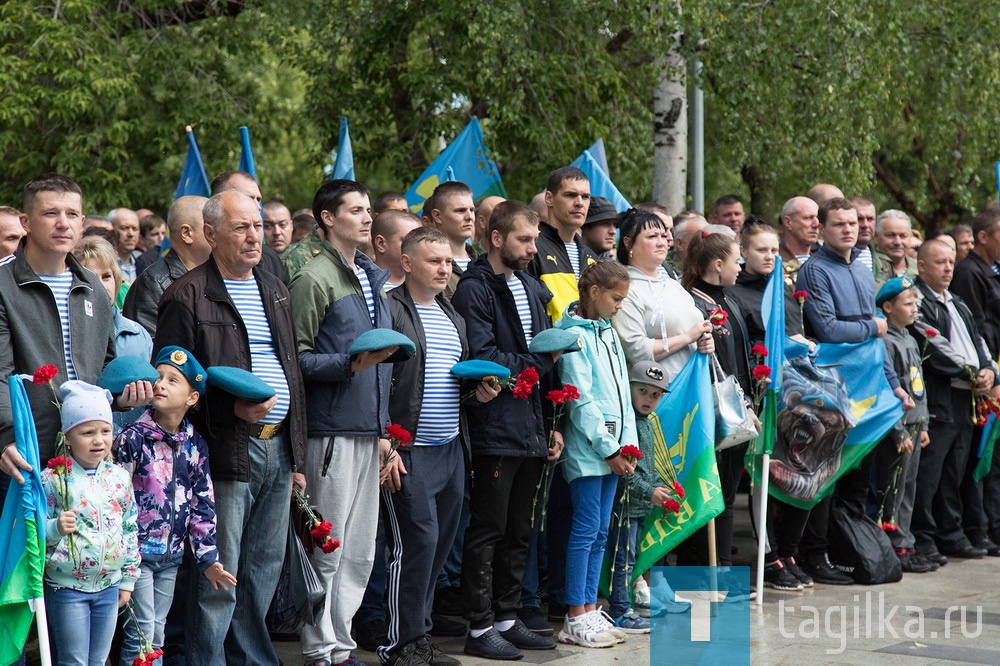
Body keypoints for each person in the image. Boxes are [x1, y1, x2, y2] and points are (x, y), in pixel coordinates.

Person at [154, 189, 307, 666]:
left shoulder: (275, 284)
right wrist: (228, 412)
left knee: (264, 569)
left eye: (257, 226)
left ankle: (249, 658)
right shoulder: (186, 294)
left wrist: (297, 455)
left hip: (278, 446)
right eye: (240, 227)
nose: (253, 236)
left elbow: (290, 368)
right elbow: (171, 385)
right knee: (219, 572)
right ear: (209, 233)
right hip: (223, 450)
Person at [379, 227, 501, 666]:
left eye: (448, 261)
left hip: (451, 449)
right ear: (407, 263)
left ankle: (420, 639)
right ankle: (398, 644)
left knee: (437, 547)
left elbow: (453, 386)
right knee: (415, 547)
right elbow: (375, 383)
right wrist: (385, 442)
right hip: (407, 452)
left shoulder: (453, 315)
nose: (444, 269)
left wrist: (478, 393)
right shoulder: (388, 310)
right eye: (434, 261)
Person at [288, 179, 397, 666]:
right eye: (356, 210)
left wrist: (383, 433)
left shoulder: (372, 277)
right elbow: (295, 361)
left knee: (360, 552)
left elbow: (383, 366)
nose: (367, 218)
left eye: (369, 209)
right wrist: (348, 365)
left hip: (366, 431)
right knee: (327, 549)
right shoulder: (313, 277)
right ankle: (318, 648)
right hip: (328, 433)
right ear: (329, 218)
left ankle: (343, 644)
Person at [451, 200, 560, 660]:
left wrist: (554, 426)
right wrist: (540, 360)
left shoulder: (534, 288)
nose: (533, 248)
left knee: (520, 530)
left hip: (532, 427)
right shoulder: (474, 289)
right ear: (496, 238)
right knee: (488, 530)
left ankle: (507, 618)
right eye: (524, 239)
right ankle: (478, 628)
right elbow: (483, 355)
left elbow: (550, 357)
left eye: (534, 239)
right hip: (495, 427)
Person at [0, 173, 151, 494]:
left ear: (82, 222)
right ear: (26, 221)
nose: (62, 223)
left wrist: (123, 396)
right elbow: (1, 373)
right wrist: (5, 436)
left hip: (85, 457)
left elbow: (105, 370)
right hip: (22, 452)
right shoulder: (3, 284)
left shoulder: (93, 287)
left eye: (71, 215)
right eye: (51, 213)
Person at [796, 197, 902, 585]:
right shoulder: (815, 270)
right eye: (838, 223)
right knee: (827, 474)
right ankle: (815, 553)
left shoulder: (860, 268)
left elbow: (876, 342)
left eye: (853, 223)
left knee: (859, 478)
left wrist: (894, 384)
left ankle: (851, 550)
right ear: (821, 228)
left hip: (870, 389)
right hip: (835, 387)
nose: (848, 229)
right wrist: (872, 326)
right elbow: (828, 330)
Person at [116, 346, 237, 665]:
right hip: (137, 556)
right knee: (141, 634)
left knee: (157, 632)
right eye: (158, 377)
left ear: (192, 398)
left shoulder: (195, 445)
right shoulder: (132, 439)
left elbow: (203, 504)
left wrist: (207, 557)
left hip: (171, 558)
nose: (161, 384)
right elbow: (116, 498)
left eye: (173, 380)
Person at [726, 221, 814, 592]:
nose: (770, 256)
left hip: (796, 397)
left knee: (800, 472)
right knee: (762, 475)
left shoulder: (784, 290)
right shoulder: (735, 293)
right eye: (761, 250)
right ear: (743, 252)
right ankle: (767, 554)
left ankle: (788, 550)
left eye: (775, 250)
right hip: (760, 396)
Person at [551, 261, 635, 648]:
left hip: (614, 452)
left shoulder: (608, 331)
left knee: (601, 532)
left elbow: (622, 398)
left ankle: (589, 609)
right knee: (585, 531)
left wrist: (628, 448)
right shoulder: (571, 335)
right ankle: (573, 615)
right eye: (616, 298)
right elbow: (581, 401)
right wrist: (610, 448)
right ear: (594, 292)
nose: (620, 305)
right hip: (590, 453)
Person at [680, 230, 758, 595]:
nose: (740, 266)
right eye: (735, 259)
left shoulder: (729, 300)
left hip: (738, 410)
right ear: (716, 264)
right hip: (715, 413)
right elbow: (717, 367)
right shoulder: (695, 304)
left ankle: (721, 571)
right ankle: (705, 576)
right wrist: (740, 405)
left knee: (727, 495)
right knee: (711, 495)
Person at [43, 381, 140, 666]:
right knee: (73, 660)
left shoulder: (119, 478)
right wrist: (55, 528)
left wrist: (129, 578)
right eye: (88, 432)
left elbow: (131, 527)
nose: (98, 440)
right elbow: (33, 530)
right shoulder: (53, 479)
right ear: (68, 437)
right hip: (67, 588)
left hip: (110, 586)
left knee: (98, 659)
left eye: (105, 431)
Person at [911, 239, 994, 564]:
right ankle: (923, 538)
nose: (947, 268)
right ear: (922, 266)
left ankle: (951, 534)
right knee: (930, 473)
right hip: (940, 396)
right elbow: (934, 346)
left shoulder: (957, 302)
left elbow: (979, 341)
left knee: (954, 472)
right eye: (939, 262)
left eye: (950, 262)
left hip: (965, 398)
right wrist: (973, 372)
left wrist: (988, 371)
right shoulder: (917, 300)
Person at [872, 278, 934, 574]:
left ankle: (905, 541)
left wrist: (922, 424)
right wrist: (897, 431)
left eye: (915, 303)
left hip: (914, 425)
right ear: (887, 307)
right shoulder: (886, 342)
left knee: (908, 487)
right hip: (898, 429)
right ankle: (892, 543)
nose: (914, 308)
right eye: (907, 303)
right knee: (893, 489)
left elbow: (918, 386)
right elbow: (887, 389)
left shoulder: (909, 338)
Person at [612, 208, 714, 385]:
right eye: (652, 236)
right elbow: (637, 351)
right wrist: (687, 338)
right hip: (655, 397)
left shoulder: (674, 285)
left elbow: (693, 334)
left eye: (663, 235)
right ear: (628, 243)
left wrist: (705, 342)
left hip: (694, 388)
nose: (662, 242)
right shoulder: (625, 290)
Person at [604, 361, 669, 630]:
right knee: (623, 560)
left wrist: (660, 491)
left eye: (656, 395)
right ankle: (620, 608)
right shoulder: (626, 420)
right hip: (626, 505)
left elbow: (648, 465)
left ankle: (628, 604)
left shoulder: (648, 422)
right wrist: (649, 490)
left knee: (632, 558)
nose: (649, 399)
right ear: (628, 387)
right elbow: (625, 472)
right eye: (642, 391)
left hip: (642, 506)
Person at [73, 236, 152, 434]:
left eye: (106, 276)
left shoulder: (138, 334)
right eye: (89, 276)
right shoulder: (68, 334)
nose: (100, 286)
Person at [123, 195, 212, 337]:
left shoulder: (221, 275)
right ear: (187, 233)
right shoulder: (153, 283)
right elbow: (149, 348)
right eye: (210, 225)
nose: (219, 231)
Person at [534, 166, 599, 322]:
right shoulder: (531, 248)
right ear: (549, 198)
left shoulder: (593, 257)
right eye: (570, 195)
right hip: (548, 344)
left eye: (585, 197)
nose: (579, 203)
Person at [209, 170, 289, 285]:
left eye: (259, 199)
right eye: (249, 198)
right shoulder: (197, 254)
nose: (258, 207)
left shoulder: (269, 258)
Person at [428, 181, 479, 300]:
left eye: (471, 210)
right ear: (437, 216)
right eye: (460, 211)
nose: (469, 217)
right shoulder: (428, 266)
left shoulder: (484, 263)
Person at [372, 209, 423, 290]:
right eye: (409, 240)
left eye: (421, 241)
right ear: (381, 243)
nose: (419, 247)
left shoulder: (428, 288)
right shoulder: (364, 288)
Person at [778, 196, 819, 286]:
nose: (816, 224)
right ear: (788, 222)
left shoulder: (824, 261)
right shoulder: (772, 262)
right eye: (808, 218)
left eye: (817, 218)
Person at [872, 209, 918, 288]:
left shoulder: (921, 271)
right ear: (876, 236)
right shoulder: (867, 267)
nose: (898, 242)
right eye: (890, 235)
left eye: (903, 236)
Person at [110, 207, 142, 284]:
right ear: (111, 229)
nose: (131, 234)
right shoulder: (104, 265)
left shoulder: (143, 266)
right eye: (124, 228)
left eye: (135, 229)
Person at [851, 196, 877, 271]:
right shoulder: (835, 261)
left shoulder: (886, 265)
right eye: (859, 219)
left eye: (870, 219)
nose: (865, 225)